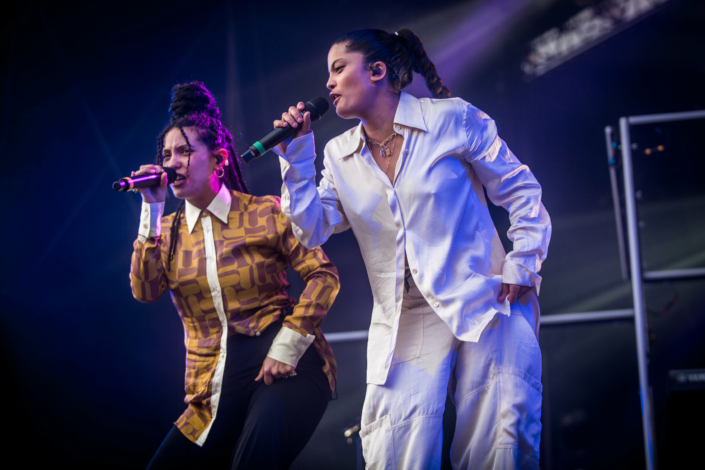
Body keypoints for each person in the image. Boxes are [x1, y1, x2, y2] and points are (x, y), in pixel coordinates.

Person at [273, 29, 551, 469]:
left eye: (339, 68)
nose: (328, 83)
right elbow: (311, 229)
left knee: (500, 443)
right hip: (405, 316)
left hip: (488, 298)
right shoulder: (337, 154)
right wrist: (295, 158)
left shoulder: (451, 119)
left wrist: (523, 264)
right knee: (395, 449)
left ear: (378, 71)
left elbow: (521, 190)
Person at [129, 81, 340, 469]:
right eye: (166, 154)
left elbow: (323, 275)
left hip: (285, 362)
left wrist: (287, 347)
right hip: (214, 382)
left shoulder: (264, 211)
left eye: (185, 152)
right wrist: (152, 211)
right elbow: (145, 290)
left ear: (219, 159)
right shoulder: (168, 231)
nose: (172, 162)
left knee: (254, 457)